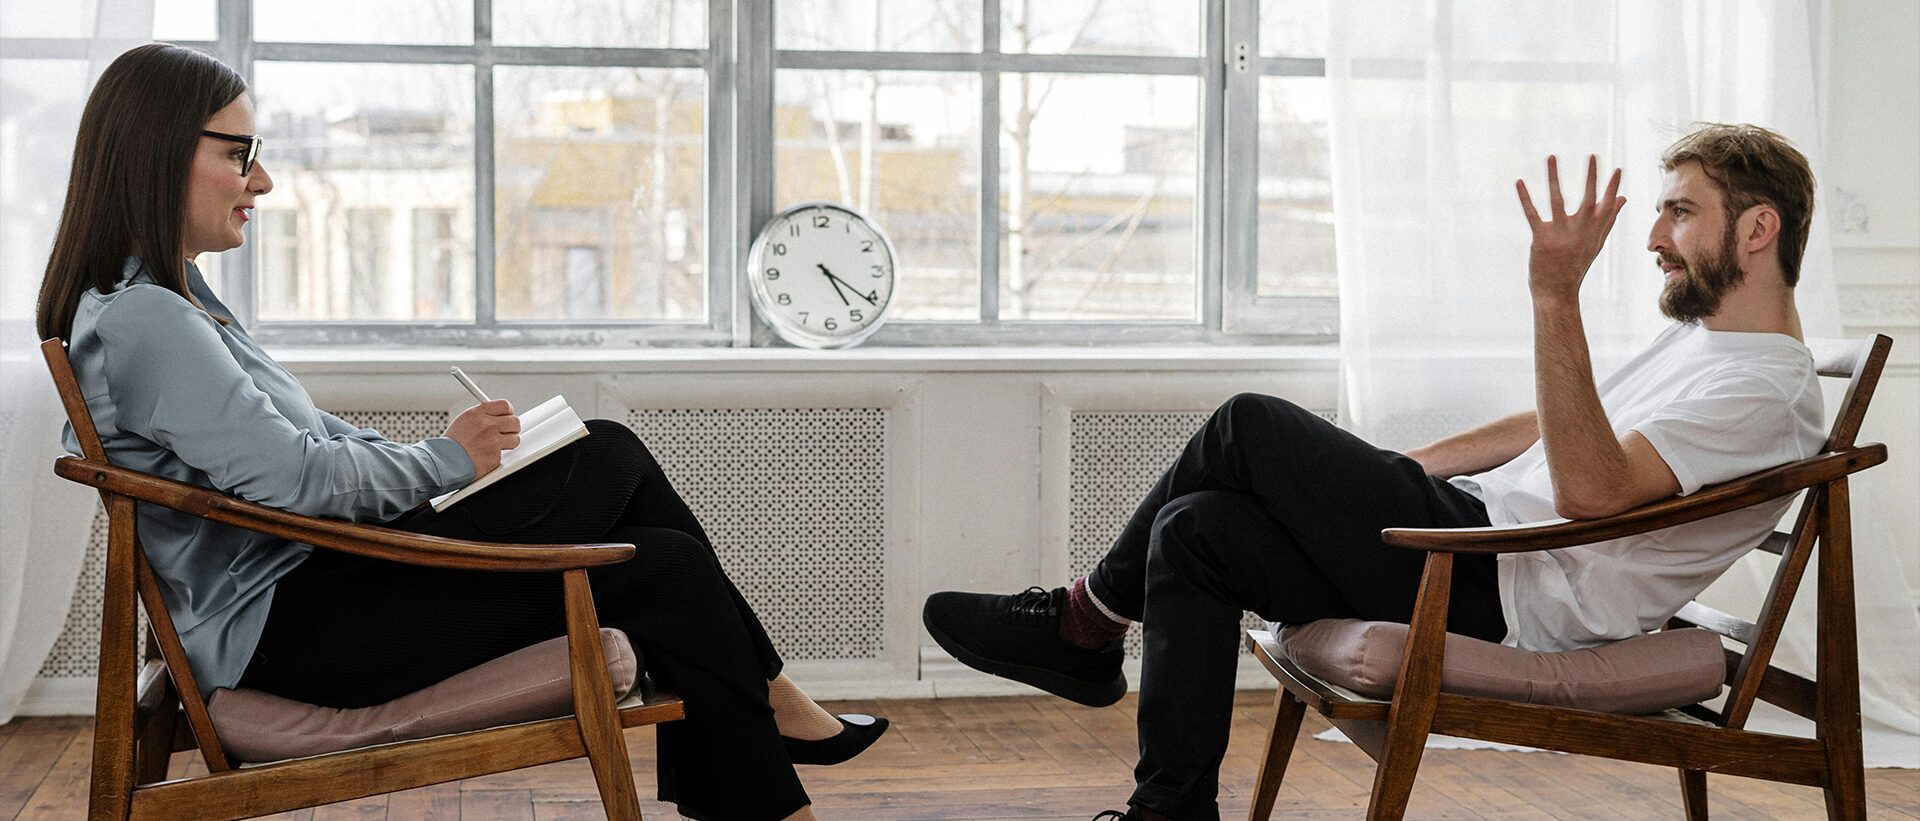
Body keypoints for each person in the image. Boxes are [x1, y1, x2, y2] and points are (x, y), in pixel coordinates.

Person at [36, 43, 887, 821]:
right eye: (239, 153)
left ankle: (770, 781)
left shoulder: (173, 303)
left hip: (315, 590)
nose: (261, 182)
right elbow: (295, 479)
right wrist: (446, 460)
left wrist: (442, 467)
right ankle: (774, 703)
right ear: (156, 152)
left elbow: (313, 441)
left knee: (662, 562)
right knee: (609, 453)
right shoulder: (149, 319)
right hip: (294, 629)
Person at [923, 124, 1826, 820]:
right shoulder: (1703, 345)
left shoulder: (1764, 389)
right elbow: (1554, 422)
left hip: (1505, 590)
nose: (1656, 236)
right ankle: (1170, 807)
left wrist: (1554, 296)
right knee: (1194, 527)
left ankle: (1083, 625)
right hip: (1477, 539)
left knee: (1248, 422)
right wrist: (1391, 470)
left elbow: (1592, 492)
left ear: (1758, 228)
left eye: (1680, 212)